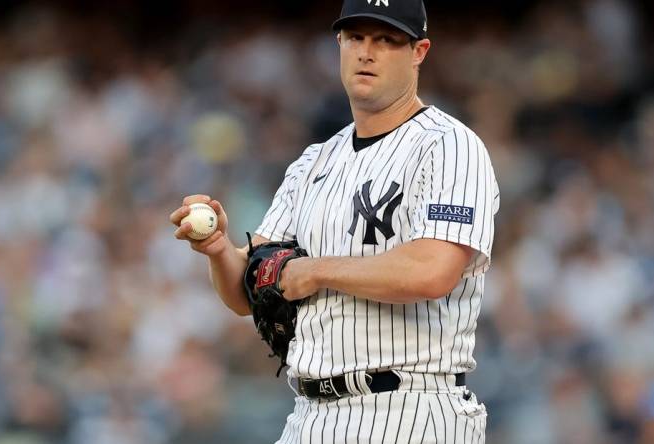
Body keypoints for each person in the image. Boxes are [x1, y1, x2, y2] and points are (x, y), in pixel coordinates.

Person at [169, 0, 499, 442]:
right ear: (339, 44)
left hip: (410, 407)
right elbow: (250, 293)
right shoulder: (312, 162)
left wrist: (315, 271)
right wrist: (219, 251)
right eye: (356, 37)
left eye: (386, 40)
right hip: (310, 414)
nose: (367, 52)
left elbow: (432, 271)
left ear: (419, 52)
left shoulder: (450, 147)